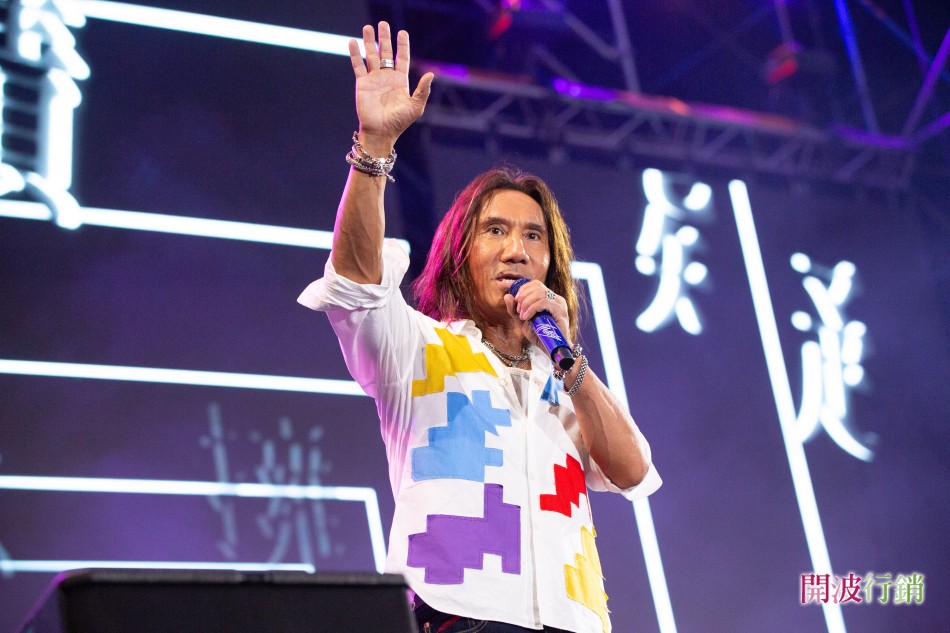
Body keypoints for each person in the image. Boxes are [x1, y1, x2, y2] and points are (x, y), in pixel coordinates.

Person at [297, 21, 661, 633]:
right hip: (460, 618)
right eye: (496, 230)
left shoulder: (566, 382)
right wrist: (374, 148)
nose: (517, 250)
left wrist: (570, 363)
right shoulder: (418, 348)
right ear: (460, 252)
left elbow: (634, 472)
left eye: (534, 236)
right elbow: (356, 280)